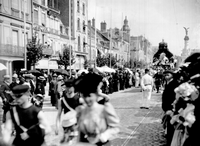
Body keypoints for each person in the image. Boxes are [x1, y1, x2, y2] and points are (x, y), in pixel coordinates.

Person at [75, 73, 119, 146]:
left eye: (89, 96)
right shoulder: (81, 110)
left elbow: (115, 128)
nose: (87, 99)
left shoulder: (105, 109)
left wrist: (102, 137)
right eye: (85, 96)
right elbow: (80, 133)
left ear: (96, 95)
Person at [55, 79, 83, 144]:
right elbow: (58, 115)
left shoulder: (79, 99)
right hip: (66, 125)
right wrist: (57, 126)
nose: (68, 89)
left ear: (74, 88)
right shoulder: (62, 100)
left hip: (76, 125)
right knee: (67, 142)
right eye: (67, 87)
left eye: (70, 87)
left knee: (72, 142)